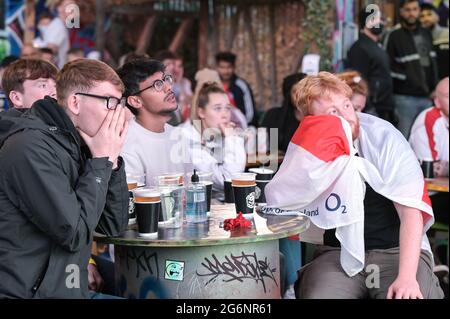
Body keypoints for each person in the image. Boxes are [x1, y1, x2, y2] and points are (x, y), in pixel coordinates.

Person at [267, 72, 443, 299]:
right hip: (337, 254)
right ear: (311, 121)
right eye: (333, 112)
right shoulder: (307, 152)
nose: (347, 116)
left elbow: (411, 211)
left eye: (347, 105)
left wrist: (407, 278)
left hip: (394, 252)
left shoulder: (384, 138)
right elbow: (281, 201)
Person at [0, 58, 129, 298]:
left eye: (119, 103)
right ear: (75, 102)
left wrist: (112, 161)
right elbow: (74, 233)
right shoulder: (28, 147)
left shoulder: (77, 143)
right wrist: (101, 160)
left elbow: (111, 226)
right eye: (110, 102)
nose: (117, 113)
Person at [117, 58, 192, 186]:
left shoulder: (179, 135)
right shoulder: (127, 145)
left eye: (166, 79)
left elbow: (190, 187)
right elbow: (134, 203)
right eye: (157, 84)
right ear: (135, 101)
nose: (168, 87)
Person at [385, 0, 439, 138]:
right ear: (401, 12)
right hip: (404, 99)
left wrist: (435, 89)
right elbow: (387, 66)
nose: (411, 13)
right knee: (404, 138)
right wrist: (406, 80)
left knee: (426, 138)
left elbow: (432, 63)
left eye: (415, 9)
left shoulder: (426, 33)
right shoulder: (394, 35)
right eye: (407, 10)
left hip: (427, 97)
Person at [182, 82, 246, 195]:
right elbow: (227, 181)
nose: (225, 114)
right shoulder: (187, 139)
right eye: (217, 108)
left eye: (227, 108)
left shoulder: (218, 135)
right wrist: (233, 139)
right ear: (201, 112)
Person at [347, 7, 397, 125]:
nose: (380, 22)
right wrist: (368, 107)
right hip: (372, 109)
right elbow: (358, 80)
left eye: (380, 19)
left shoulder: (376, 46)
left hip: (383, 106)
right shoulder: (359, 48)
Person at [409, 77, 449, 226]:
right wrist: (444, 168)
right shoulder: (429, 119)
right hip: (426, 197)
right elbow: (432, 170)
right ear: (437, 102)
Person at [260, 73, 306, 153]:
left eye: (304, 91)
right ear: (288, 96)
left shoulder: (318, 118)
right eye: (295, 92)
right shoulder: (274, 117)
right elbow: (264, 147)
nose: (300, 96)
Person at [215, 51, 257, 126]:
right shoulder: (213, 86)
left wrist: (240, 123)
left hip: (243, 127)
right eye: (222, 67)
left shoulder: (242, 86)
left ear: (234, 67)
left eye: (229, 67)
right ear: (217, 68)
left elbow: (250, 115)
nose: (226, 71)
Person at [420, 2, 449, 79]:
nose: (426, 19)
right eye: (422, 16)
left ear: (437, 16)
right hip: (429, 85)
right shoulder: (418, 39)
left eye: (429, 14)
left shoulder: (447, 34)